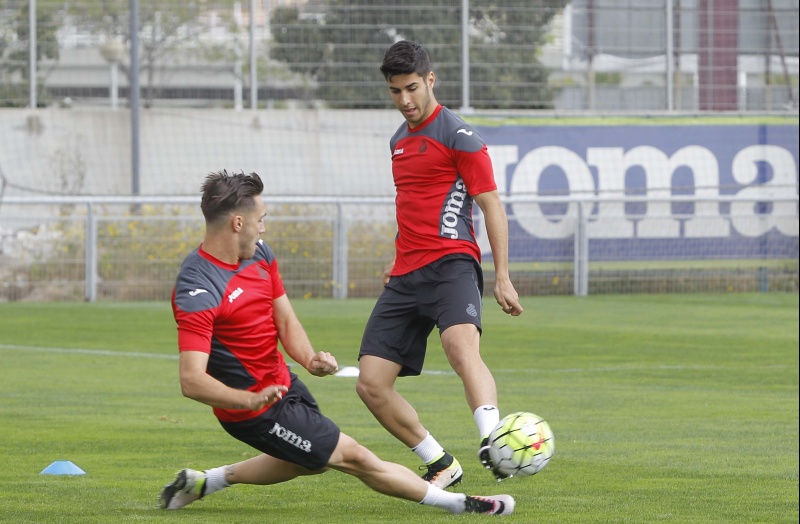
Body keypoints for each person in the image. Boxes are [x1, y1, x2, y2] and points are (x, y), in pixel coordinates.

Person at [158, 170, 515, 516]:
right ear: (238, 223)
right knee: (354, 457)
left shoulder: (260, 254)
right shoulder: (198, 288)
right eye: (260, 220)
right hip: (253, 411)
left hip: (283, 386)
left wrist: (309, 359)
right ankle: (463, 504)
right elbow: (192, 380)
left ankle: (203, 482)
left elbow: (285, 319)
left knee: (310, 462)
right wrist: (247, 399)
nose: (263, 228)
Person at [355, 41, 524, 488]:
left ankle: (494, 439)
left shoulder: (459, 136)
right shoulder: (398, 141)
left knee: (460, 348)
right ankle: (440, 462)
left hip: (452, 264)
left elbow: (491, 205)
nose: (404, 100)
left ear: (430, 80)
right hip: (405, 275)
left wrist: (502, 277)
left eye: (412, 88)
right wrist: (397, 259)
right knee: (371, 384)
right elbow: (413, 205)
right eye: (395, 91)